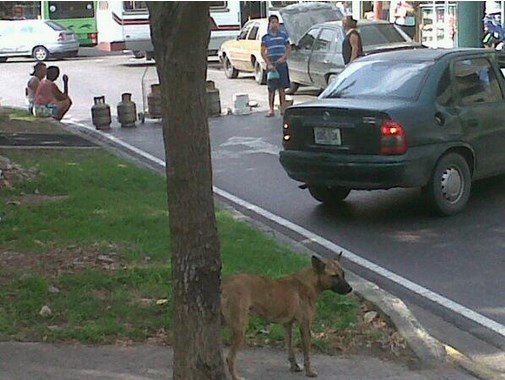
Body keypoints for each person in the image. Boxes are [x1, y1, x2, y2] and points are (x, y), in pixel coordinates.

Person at [261, 14, 291, 117]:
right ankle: (271, 109)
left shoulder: (283, 35)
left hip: (281, 64)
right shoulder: (265, 38)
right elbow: (262, 52)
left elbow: (288, 48)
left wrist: (283, 58)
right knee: (271, 89)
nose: (274, 25)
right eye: (272, 22)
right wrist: (269, 64)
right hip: (271, 65)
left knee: (282, 88)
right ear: (269, 24)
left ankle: (283, 108)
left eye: (276, 22)